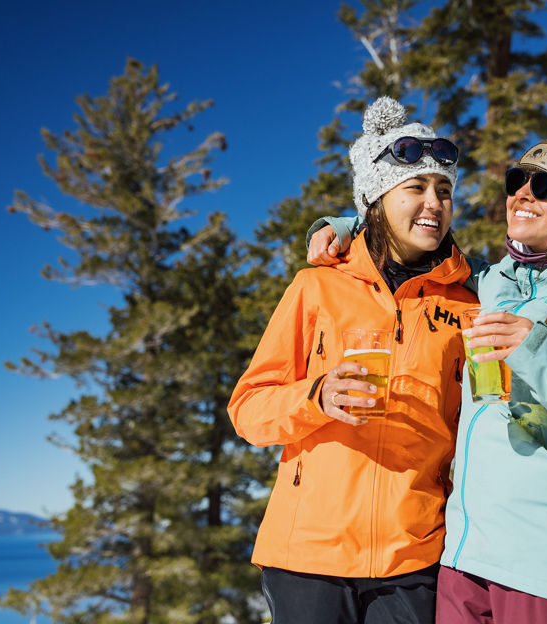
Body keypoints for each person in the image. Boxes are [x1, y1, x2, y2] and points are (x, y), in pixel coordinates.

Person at [306, 134, 547, 623]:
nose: (521, 194)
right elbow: (421, 238)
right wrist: (346, 225)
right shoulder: (495, 282)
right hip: (467, 563)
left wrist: (540, 354)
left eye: (544, 184)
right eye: (516, 180)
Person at [227, 96, 477, 624]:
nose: (433, 202)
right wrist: (316, 397)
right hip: (308, 554)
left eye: (444, 189)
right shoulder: (316, 286)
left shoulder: (467, 305)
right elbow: (248, 407)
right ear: (376, 198)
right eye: (415, 188)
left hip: (414, 554)